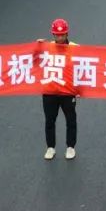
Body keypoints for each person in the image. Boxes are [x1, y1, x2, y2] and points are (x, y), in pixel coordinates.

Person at [41, 18, 78, 161]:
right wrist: (36, 46)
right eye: (57, 35)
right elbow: (33, 59)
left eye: (62, 35)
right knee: (50, 120)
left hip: (68, 91)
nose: (60, 38)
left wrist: (79, 88)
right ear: (53, 34)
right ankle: (50, 147)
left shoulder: (75, 48)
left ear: (67, 34)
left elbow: (82, 68)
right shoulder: (47, 47)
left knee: (71, 119)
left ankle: (70, 147)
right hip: (50, 91)